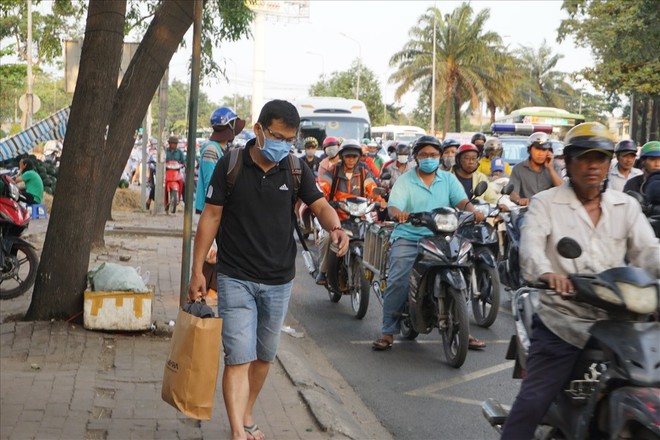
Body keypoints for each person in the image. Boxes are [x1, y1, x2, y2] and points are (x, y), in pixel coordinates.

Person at [187, 99, 349, 440]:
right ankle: (237, 431)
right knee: (238, 356)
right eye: (278, 137)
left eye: (289, 140)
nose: (283, 146)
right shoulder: (230, 164)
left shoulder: (294, 167)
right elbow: (211, 217)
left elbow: (319, 204)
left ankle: (246, 414)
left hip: (279, 280)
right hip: (235, 276)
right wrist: (197, 269)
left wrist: (335, 227)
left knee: (263, 355)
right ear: (259, 130)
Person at [500, 122, 660, 439]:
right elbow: (531, 251)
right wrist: (548, 274)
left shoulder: (625, 205)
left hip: (621, 320)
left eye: (600, 159)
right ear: (569, 162)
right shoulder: (546, 203)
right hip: (565, 321)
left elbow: (649, 253)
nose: (592, 166)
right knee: (533, 400)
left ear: (608, 163)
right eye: (584, 158)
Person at [371, 135, 486, 351]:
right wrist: (399, 214)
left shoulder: (448, 179)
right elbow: (393, 206)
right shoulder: (405, 180)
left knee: (463, 272)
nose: (429, 158)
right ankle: (388, 331)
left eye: (433, 155)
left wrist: (473, 211)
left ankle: (464, 330)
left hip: (443, 237)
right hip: (409, 235)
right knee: (398, 279)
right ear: (416, 157)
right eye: (424, 155)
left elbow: (461, 201)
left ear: (440, 157)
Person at [315, 139, 385, 285]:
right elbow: (323, 187)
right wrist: (324, 199)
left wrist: (379, 199)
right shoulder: (332, 171)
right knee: (328, 238)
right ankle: (322, 271)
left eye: (354, 156)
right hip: (336, 216)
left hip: (358, 215)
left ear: (359, 157)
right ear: (342, 156)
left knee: (374, 233)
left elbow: (372, 187)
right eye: (348, 156)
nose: (351, 159)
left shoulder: (363, 171)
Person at [195, 107, 246, 214]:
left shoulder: (223, 149)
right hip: (212, 209)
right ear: (231, 126)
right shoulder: (211, 149)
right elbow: (211, 183)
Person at [508, 132, 564, 206]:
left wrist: (550, 169)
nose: (540, 154)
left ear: (549, 152)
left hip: (549, 210)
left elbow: (562, 190)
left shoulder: (554, 167)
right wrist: (519, 200)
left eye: (544, 150)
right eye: (537, 149)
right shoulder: (518, 169)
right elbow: (513, 192)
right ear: (530, 150)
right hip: (527, 211)